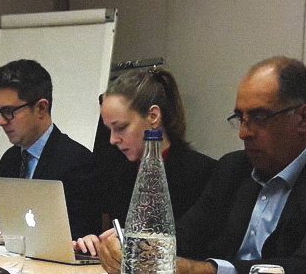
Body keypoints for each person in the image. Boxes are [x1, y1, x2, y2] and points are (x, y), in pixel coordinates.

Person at [98, 57, 306, 274]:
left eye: (259, 117)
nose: (244, 132)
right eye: (240, 118)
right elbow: (185, 237)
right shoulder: (233, 169)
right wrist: (132, 247)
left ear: (303, 118)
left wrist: (208, 273)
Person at [76, 67, 216, 255]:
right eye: (109, 129)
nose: (112, 140)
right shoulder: (118, 174)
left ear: (153, 116)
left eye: (121, 127)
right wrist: (94, 244)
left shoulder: (202, 173)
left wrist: (132, 240)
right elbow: (114, 236)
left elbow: (195, 246)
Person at [0, 59, 100, 239]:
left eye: (8, 111)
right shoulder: (9, 160)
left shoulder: (78, 163)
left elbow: (82, 238)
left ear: (41, 108)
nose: (1, 121)